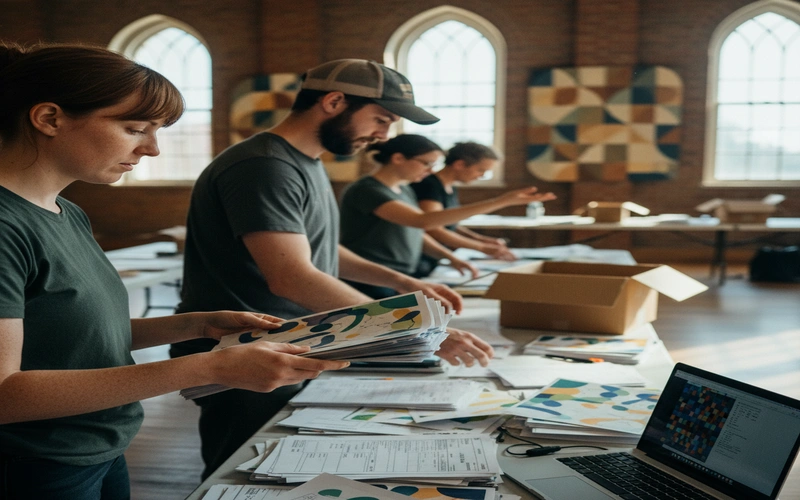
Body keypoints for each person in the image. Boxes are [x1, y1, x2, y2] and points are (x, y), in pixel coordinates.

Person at [0, 43, 349, 500]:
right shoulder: (6, 225)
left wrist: (195, 325)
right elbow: (5, 393)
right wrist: (206, 366)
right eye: (135, 129)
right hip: (33, 463)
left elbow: (70, 338)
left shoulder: (66, 212)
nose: (152, 148)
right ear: (49, 118)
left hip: (96, 448)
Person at [169, 59, 496, 479]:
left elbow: (317, 249)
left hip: (292, 340)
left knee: (275, 468)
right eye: (381, 119)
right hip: (244, 348)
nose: (383, 135)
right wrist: (418, 326)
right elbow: (292, 276)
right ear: (334, 101)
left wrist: (403, 282)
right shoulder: (264, 166)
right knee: (240, 473)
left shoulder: (303, 161)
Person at [340, 135, 557, 297]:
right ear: (398, 158)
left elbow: (416, 232)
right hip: (370, 276)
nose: (430, 171)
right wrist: (501, 201)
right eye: (426, 163)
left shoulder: (403, 189)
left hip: (397, 274)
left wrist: (451, 257)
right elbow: (423, 221)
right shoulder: (367, 189)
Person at [411, 141, 519, 277]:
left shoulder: (450, 187)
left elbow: (448, 223)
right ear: (460, 164)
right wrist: (482, 247)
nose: (482, 176)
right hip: (420, 259)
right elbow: (433, 228)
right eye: (481, 170)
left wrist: (480, 239)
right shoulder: (429, 186)